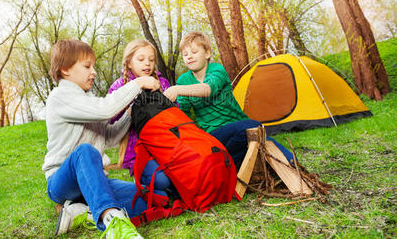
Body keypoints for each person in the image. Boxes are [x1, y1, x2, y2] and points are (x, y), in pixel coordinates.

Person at [42, 39, 166, 238]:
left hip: (94, 181)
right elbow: (106, 109)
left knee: (155, 198)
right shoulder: (60, 97)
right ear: (65, 69)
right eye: (87, 66)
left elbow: (109, 138)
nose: (94, 72)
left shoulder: (87, 99)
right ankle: (112, 222)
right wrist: (138, 82)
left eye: (93, 66)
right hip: (63, 182)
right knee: (85, 151)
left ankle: (81, 210)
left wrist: (132, 112)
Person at [163, 31, 294, 170]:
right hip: (214, 135)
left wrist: (177, 89)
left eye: (194, 51)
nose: (189, 56)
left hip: (238, 125)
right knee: (250, 130)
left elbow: (208, 89)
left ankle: (290, 163)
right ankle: (222, 162)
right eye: (185, 54)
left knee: (251, 129)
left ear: (207, 53)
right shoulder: (183, 80)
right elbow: (185, 116)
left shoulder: (217, 70)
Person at [108, 39, 172, 191]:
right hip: (138, 150)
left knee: (182, 172)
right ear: (129, 62)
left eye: (151, 60)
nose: (147, 64)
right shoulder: (120, 86)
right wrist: (129, 106)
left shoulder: (162, 83)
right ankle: (143, 178)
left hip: (164, 144)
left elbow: (175, 113)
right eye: (141, 59)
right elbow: (110, 118)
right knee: (163, 181)